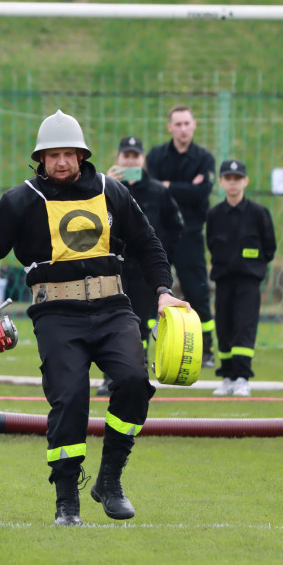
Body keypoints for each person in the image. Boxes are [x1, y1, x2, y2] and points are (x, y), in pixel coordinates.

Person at [0, 110, 190, 526]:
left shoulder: (111, 191)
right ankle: (67, 501)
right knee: (70, 399)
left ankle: (111, 478)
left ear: (82, 156)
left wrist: (163, 294)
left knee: (135, 382)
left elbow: (149, 245)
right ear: (41, 159)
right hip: (55, 315)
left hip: (113, 308)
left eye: (69, 153)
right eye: (53, 155)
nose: (62, 162)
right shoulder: (21, 200)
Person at [100, 135, 183, 395]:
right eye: (126, 156)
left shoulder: (158, 191)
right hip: (115, 270)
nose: (131, 160)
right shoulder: (105, 190)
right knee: (111, 323)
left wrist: (159, 254)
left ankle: (137, 374)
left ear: (143, 159)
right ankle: (109, 377)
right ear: (118, 158)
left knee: (141, 326)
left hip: (144, 273)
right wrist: (107, 184)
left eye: (135, 156)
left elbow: (175, 227)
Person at [146, 105, 217, 368]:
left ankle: (206, 348)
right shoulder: (155, 156)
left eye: (187, 123)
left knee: (197, 291)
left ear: (194, 125)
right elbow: (150, 189)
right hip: (160, 235)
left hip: (190, 235)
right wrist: (187, 187)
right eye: (178, 124)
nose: (183, 129)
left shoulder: (204, 158)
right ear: (170, 127)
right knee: (151, 290)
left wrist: (168, 186)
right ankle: (146, 347)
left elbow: (202, 193)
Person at [206, 160, 276, 398]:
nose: (233, 182)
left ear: (245, 181)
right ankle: (226, 377)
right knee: (224, 328)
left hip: (248, 283)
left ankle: (242, 378)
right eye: (228, 178)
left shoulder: (259, 213)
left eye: (238, 178)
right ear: (221, 182)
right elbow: (211, 243)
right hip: (224, 281)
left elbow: (269, 247)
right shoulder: (215, 215)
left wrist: (253, 266)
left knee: (244, 328)